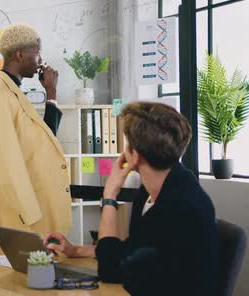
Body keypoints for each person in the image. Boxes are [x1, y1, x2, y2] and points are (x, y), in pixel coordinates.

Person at [44, 102, 219, 295]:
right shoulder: (155, 190)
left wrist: (109, 197)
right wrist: (75, 250)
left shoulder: (179, 207)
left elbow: (110, 269)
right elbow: (132, 250)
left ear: (134, 156)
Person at [0, 23, 72, 243]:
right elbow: (2, 163)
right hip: (16, 220)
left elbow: (44, 140)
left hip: (26, 218)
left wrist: (51, 92)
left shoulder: (13, 92)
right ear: (20, 55)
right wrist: (30, 216)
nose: (41, 61)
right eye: (37, 54)